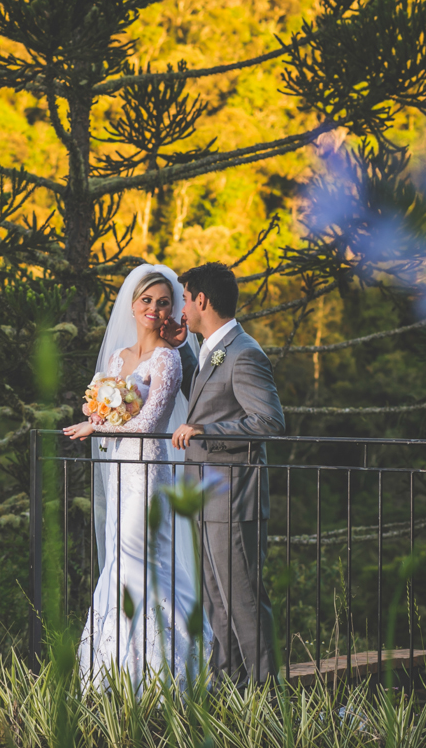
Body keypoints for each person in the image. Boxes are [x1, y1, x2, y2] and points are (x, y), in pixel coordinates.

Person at [62, 264, 212, 692]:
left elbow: (149, 423)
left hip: (148, 473)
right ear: (132, 305)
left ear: (173, 309)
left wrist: (98, 426)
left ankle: (161, 674)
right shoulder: (118, 358)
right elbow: (100, 404)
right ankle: (112, 671)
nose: (154, 308)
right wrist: (98, 412)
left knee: (144, 563)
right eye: (147, 300)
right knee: (118, 563)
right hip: (119, 471)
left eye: (164, 302)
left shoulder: (167, 360)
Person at [170, 261, 285, 687]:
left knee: (243, 600)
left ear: (201, 299)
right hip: (206, 493)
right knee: (218, 600)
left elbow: (269, 422)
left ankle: (268, 696)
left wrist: (205, 431)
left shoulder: (245, 353)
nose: (182, 306)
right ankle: (229, 689)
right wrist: (180, 347)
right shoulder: (211, 349)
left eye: (184, 298)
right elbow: (205, 400)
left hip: (235, 496)